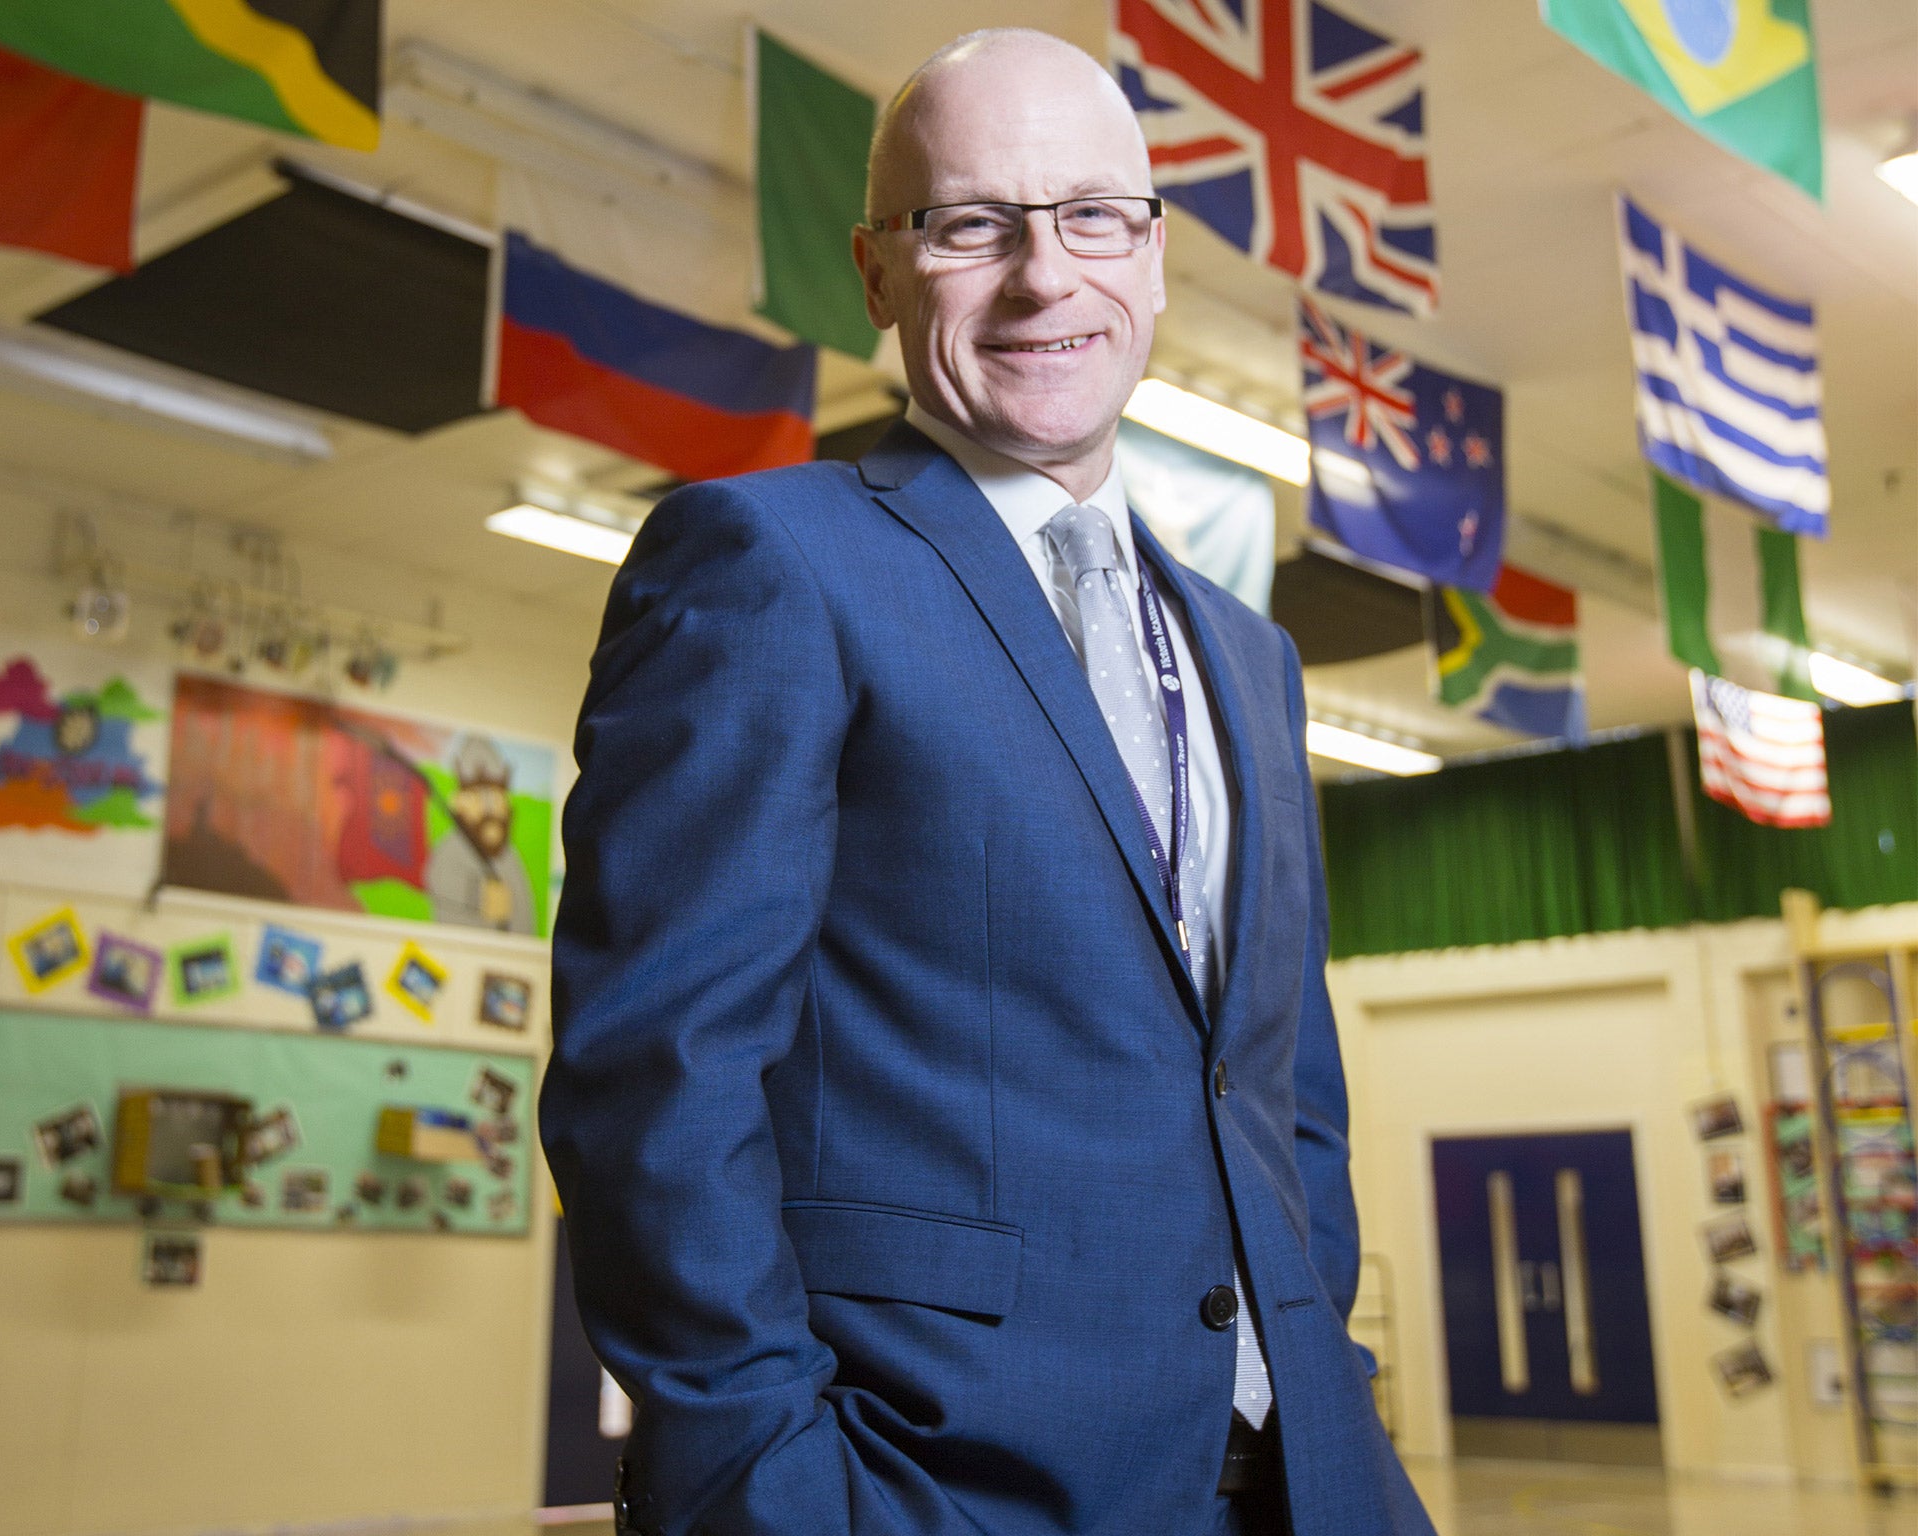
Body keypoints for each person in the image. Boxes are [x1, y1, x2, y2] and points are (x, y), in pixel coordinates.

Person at [541, 28, 1434, 1536]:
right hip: (930, 1486)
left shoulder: (1251, 656)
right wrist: (775, 1487)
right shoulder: (773, 565)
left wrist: (1317, 1352)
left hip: (1301, 1486)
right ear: (879, 274)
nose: (1043, 276)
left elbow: (1281, 1096)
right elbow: (657, 1081)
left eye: (1093, 216)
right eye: (970, 224)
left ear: (1153, 261)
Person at [423, 733, 537, 932]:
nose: (489, 809)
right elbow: (436, 879)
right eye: (478, 798)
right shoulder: (451, 849)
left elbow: (524, 910)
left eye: (495, 799)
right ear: (459, 802)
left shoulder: (509, 857)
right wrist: (478, 895)